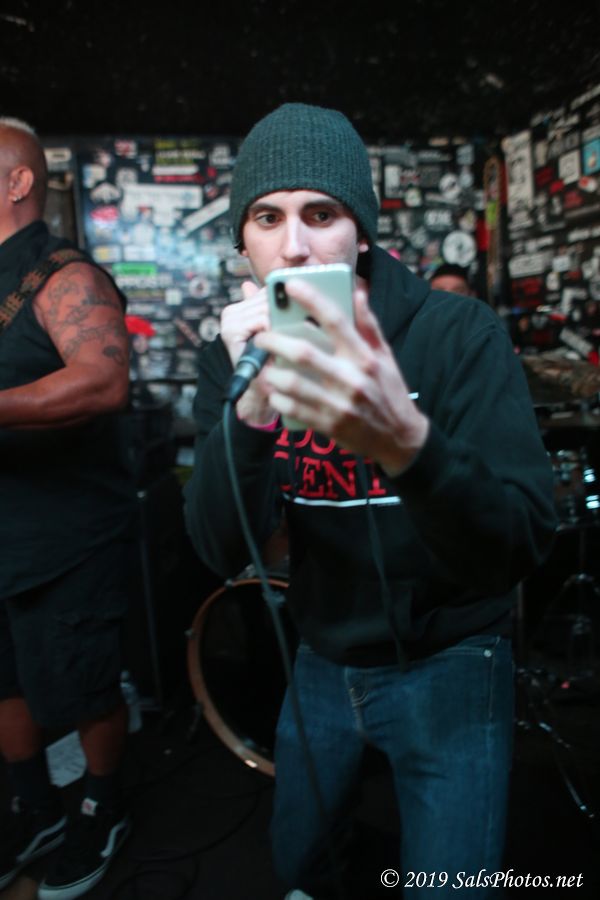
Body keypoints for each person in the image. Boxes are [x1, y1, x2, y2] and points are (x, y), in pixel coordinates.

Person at [183, 103, 557, 899]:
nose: (294, 245)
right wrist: (251, 415)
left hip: (452, 656)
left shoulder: (457, 334)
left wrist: (408, 442)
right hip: (323, 654)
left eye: (321, 214)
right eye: (267, 218)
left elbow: (522, 539)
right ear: (243, 241)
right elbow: (218, 547)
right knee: (299, 864)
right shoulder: (237, 354)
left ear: (361, 230)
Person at [0, 118, 135, 898]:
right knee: (4, 681)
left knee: (84, 685)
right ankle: (35, 805)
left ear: (18, 182)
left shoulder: (64, 276)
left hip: (66, 542)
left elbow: (101, 379)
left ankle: (101, 805)